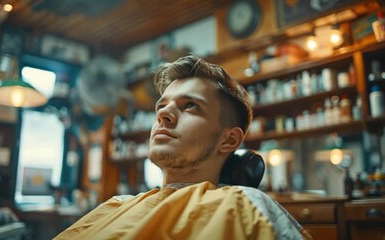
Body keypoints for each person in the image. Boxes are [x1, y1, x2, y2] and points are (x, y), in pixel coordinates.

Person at [55, 55, 311, 239]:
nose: (163, 114)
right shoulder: (115, 206)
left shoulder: (247, 206)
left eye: (190, 105)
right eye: (161, 106)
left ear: (229, 140)